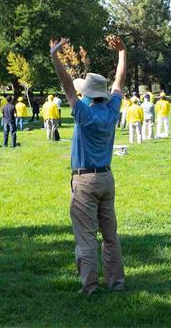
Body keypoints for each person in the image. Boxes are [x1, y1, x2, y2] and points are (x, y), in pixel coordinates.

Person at [50, 34, 126, 295]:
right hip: (107, 178)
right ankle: (116, 283)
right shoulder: (112, 110)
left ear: (87, 94)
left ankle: (90, 286)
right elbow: (119, 81)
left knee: (85, 237)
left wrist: (54, 56)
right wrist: (122, 52)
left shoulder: (83, 113)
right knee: (110, 236)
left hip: (84, 180)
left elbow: (67, 85)